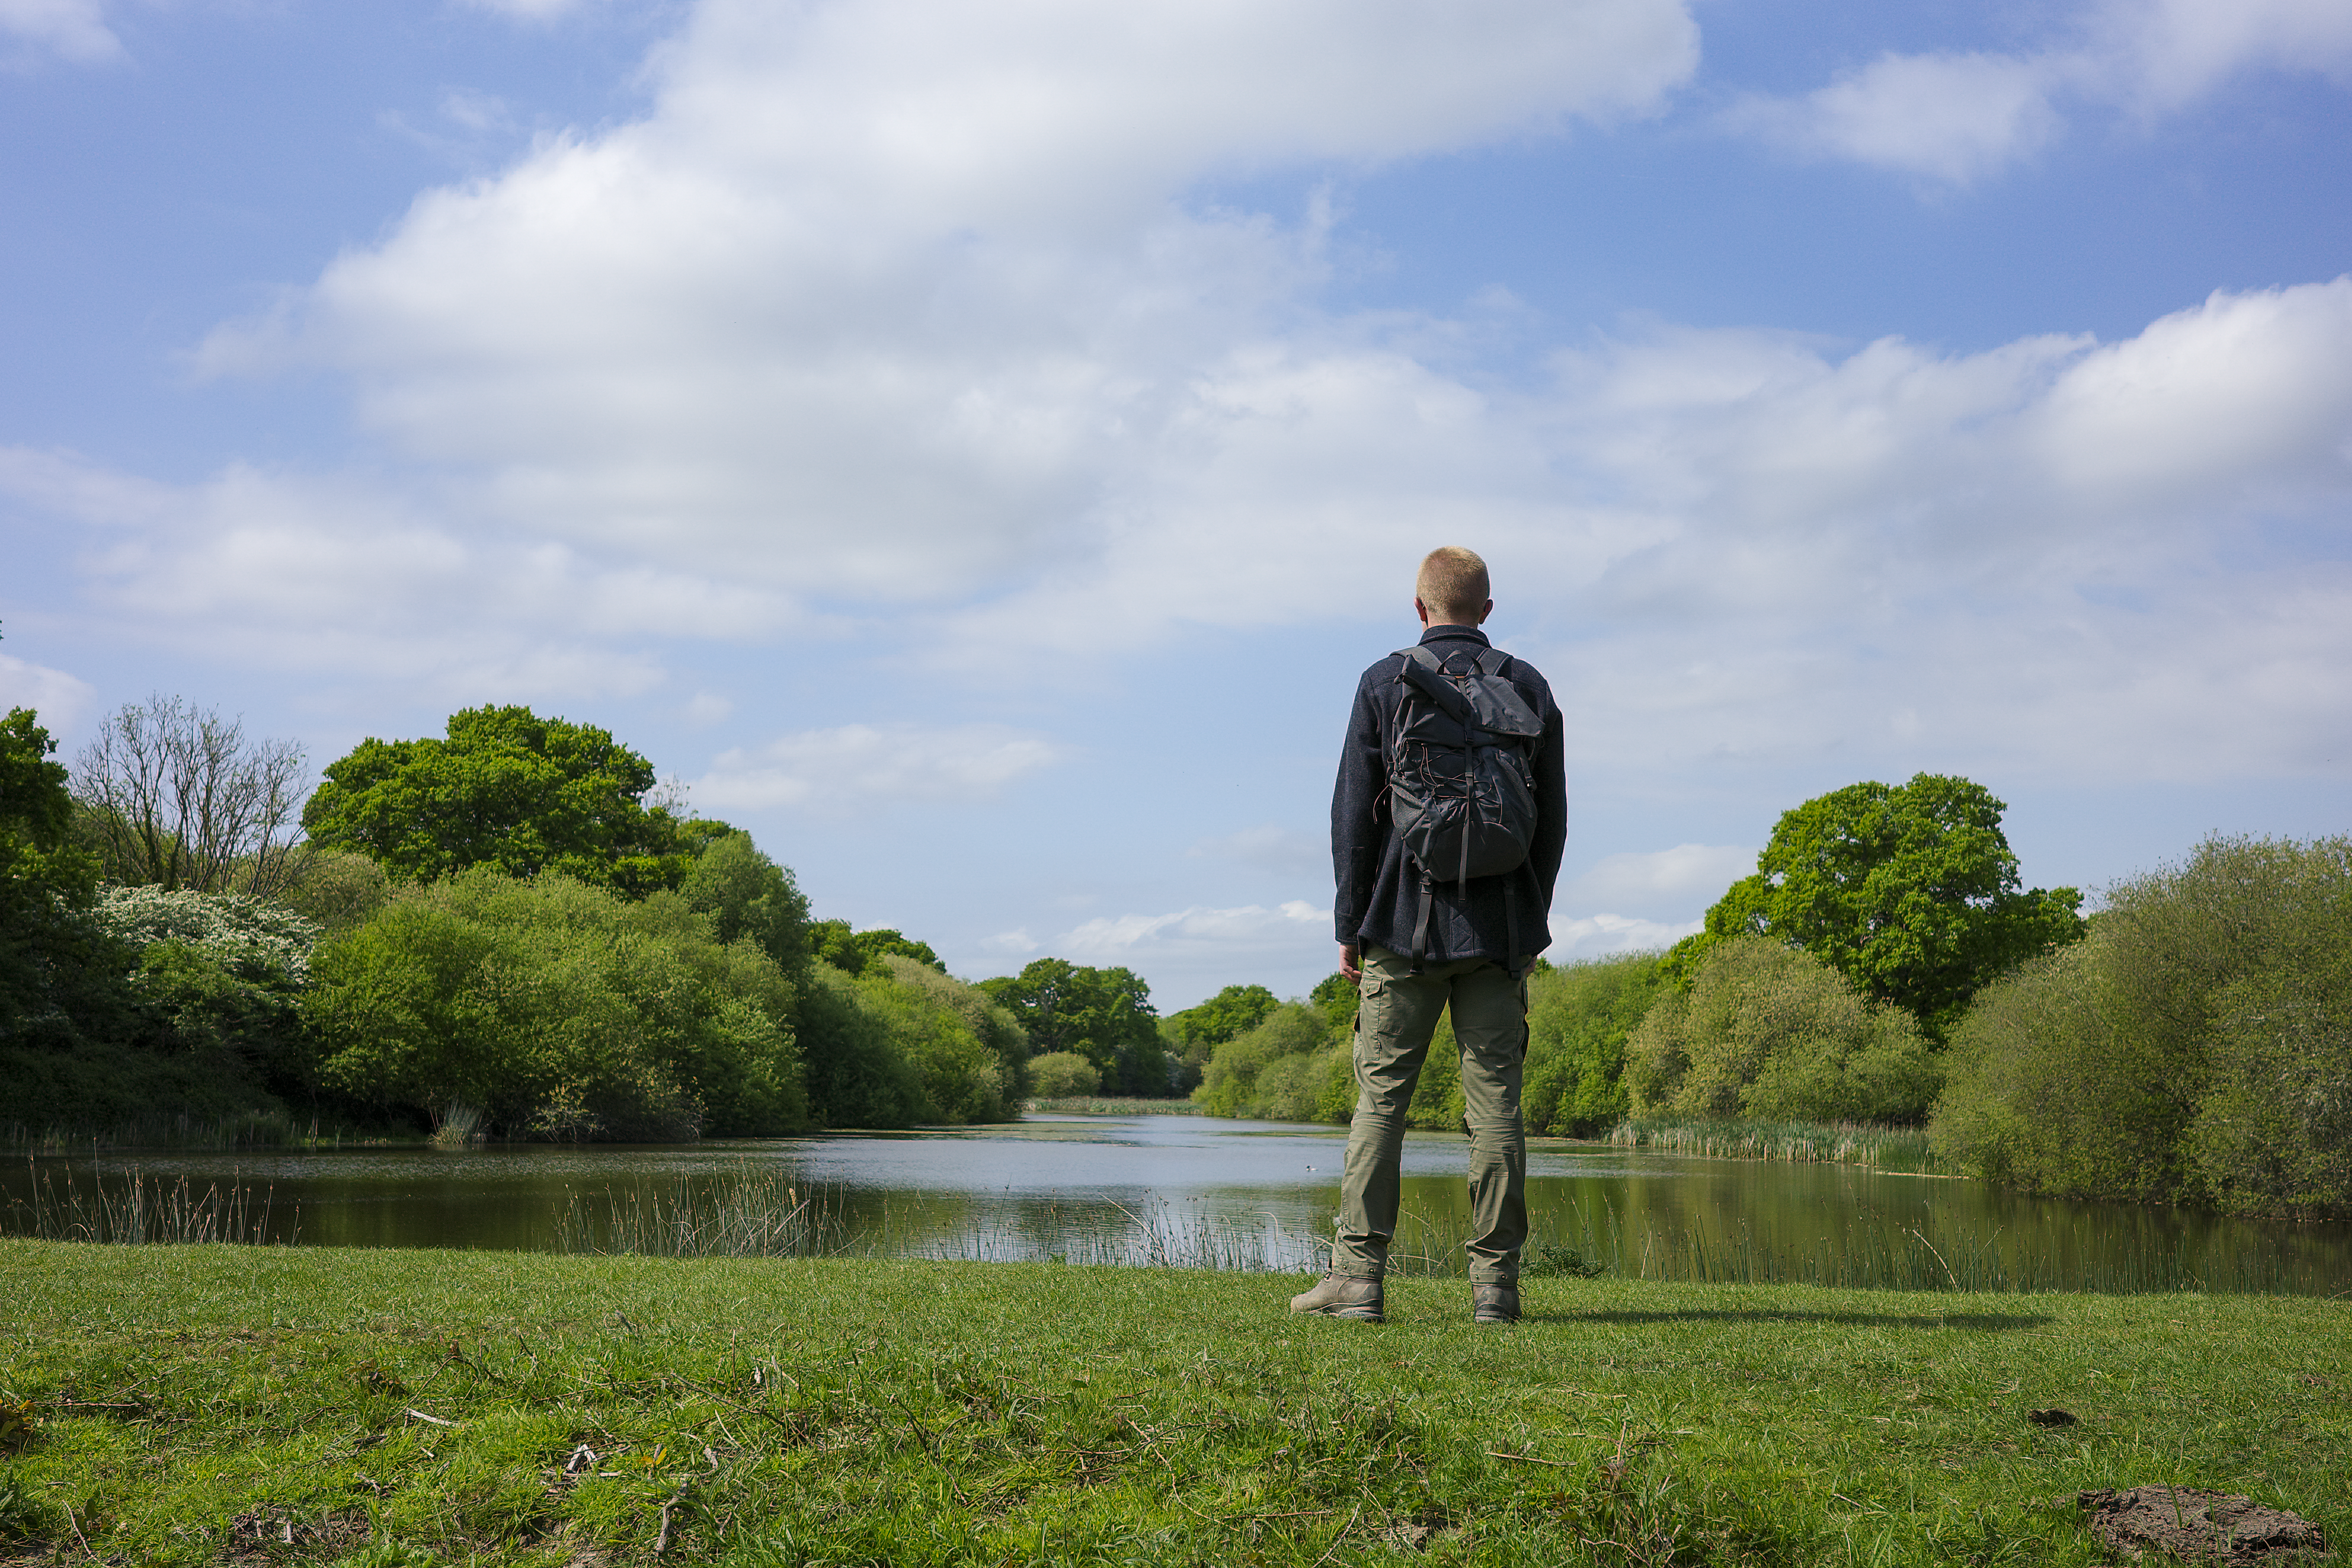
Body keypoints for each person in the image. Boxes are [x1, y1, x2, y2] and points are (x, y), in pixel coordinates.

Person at [1290, 546, 1567, 1325]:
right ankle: (1495, 1289)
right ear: (1485, 609)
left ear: (1419, 608)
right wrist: (1528, 921)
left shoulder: (1385, 681)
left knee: (1381, 1103)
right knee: (1497, 1110)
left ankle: (1356, 1282)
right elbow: (1551, 822)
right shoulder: (1528, 685)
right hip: (1499, 930)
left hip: (1401, 929)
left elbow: (1352, 816)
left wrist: (1350, 925)